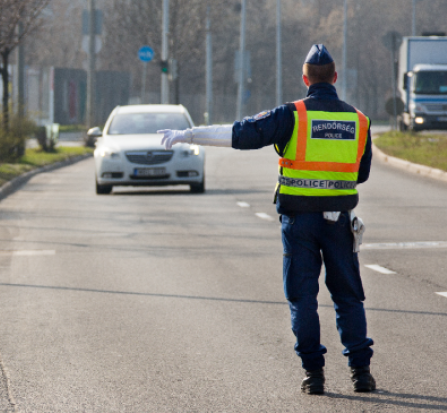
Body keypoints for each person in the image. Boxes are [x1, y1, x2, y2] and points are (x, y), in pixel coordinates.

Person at [158, 44, 375, 395]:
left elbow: (240, 133)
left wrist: (190, 134)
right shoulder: (360, 120)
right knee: (348, 297)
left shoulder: (293, 115)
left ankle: (314, 375)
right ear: (335, 78)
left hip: (299, 224)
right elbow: (361, 174)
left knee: (303, 298)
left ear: (305, 79)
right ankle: (361, 373)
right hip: (339, 223)